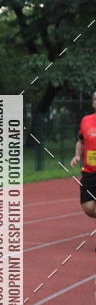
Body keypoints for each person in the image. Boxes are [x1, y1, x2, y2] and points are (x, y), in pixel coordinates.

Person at [70, 91, 96, 221]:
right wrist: (77, 156)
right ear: (93, 103)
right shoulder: (86, 121)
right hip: (89, 173)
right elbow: (81, 141)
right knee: (88, 207)